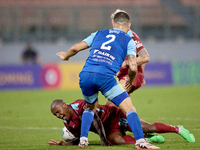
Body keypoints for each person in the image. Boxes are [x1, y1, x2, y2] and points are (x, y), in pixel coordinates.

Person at [56, 11, 159, 149]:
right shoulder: (129, 40)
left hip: (85, 75)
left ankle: (83, 140)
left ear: (113, 23)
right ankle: (140, 142)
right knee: (129, 109)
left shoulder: (98, 33)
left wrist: (66, 57)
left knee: (90, 107)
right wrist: (131, 79)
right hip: (105, 77)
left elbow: (75, 48)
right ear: (129, 25)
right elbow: (133, 68)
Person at [49, 99, 195, 146]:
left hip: (115, 116)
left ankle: (178, 129)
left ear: (64, 105)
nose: (57, 115)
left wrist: (102, 139)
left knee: (148, 127)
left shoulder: (80, 105)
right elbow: (78, 137)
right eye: (54, 114)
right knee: (117, 141)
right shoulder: (68, 124)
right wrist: (66, 143)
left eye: (57, 111)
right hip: (109, 129)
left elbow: (96, 120)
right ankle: (146, 139)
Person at [106, 9, 150, 106]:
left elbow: (144, 57)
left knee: (113, 100)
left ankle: (131, 119)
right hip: (122, 74)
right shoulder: (114, 36)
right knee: (113, 104)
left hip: (131, 74)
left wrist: (139, 74)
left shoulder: (132, 36)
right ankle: (126, 120)